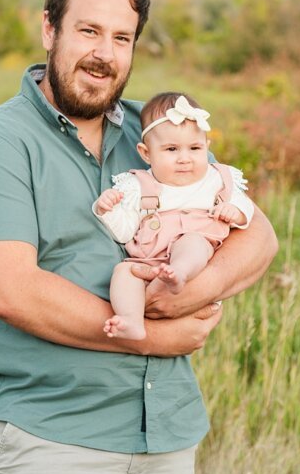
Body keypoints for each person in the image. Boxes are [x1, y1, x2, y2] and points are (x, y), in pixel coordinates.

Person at [0, 0, 278, 474]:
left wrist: (191, 292)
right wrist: (159, 335)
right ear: (49, 29)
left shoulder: (160, 136)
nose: (104, 53)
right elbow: (11, 291)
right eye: (89, 31)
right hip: (50, 440)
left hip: (166, 439)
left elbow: (259, 236)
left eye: (122, 38)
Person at [95, 91, 255, 341]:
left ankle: (179, 273)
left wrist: (235, 212)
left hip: (195, 247)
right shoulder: (139, 185)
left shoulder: (215, 178)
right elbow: (125, 232)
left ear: (206, 147)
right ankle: (131, 320)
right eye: (171, 149)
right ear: (146, 153)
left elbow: (246, 207)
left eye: (194, 148)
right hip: (150, 259)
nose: (184, 159)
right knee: (124, 273)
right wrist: (107, 210)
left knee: (190, 242)